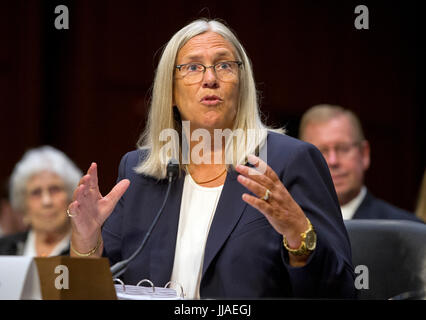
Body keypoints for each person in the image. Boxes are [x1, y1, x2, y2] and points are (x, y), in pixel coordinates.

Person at [68, 19, 356, 299]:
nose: (210, 79)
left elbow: (340, 290)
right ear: (171, 92)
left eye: (224, 65)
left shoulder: (288, 161)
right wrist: (86, 239)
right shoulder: (139, 171)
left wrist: (298, 234)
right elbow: (94, 290)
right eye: (193, 67)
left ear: (242, 85)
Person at [299, 104, 422, 222]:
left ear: (364, 154)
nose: (333, 161)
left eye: (343, 148)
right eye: (321, 151)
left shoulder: (407, 229)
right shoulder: (287, 228)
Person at [0, 146, 82, 256]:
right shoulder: (4, 249)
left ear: (71, 196)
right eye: (36, 192)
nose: (46, 201)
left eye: (54, 189)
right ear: (24, 203)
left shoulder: (87, 250)